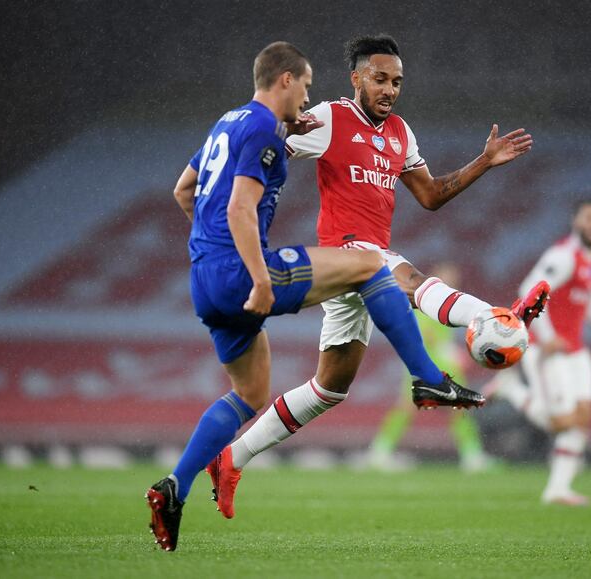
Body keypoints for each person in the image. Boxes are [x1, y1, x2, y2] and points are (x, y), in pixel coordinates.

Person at [146, 41, 484, 551]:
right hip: (244, 274)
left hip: (204, 279)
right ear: (285, 80)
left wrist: (211, 253)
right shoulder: (267, 127)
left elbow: (183, 190)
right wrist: (257, 277)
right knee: (371, 263)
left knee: (251, 395)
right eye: (304, 87)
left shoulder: (228, 123)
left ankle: (175, 487)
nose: (308, 99)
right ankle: (430, 379)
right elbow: (240, 208)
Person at [209, 34, 549, 519]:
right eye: (380, 79)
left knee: (330, 388)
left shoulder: (400, 133)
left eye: (397, 82)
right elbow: (270, 140)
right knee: (404, 276)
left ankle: (231, 459)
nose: (390, 89)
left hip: (355, 272)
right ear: (357, 78)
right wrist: (280, 132)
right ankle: (494, 315)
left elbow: (430, 195)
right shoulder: (329, 118)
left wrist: (484, 162)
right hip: (347, 255)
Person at [484, 200, 591, 506]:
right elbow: (528, 288)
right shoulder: (563, 256)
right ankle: (511, 390)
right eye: (589, 218)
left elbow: (590, 305)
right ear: (576, 221)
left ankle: (558, 489)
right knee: (561, 422)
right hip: (547, 350)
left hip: (576, 350)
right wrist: (548, 336)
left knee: (582, 417)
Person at [367, 263, 494, 472]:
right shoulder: (428, 300)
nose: (452, 281)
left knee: (456, 409)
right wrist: (448, 350)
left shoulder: (446, 302)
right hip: (429, 361)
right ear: (437, 277)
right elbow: (422, 331)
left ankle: (472, 456)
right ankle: (380, 452)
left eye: (454, 278)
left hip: (433, 363)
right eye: (447, 276)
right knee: (415, 408)